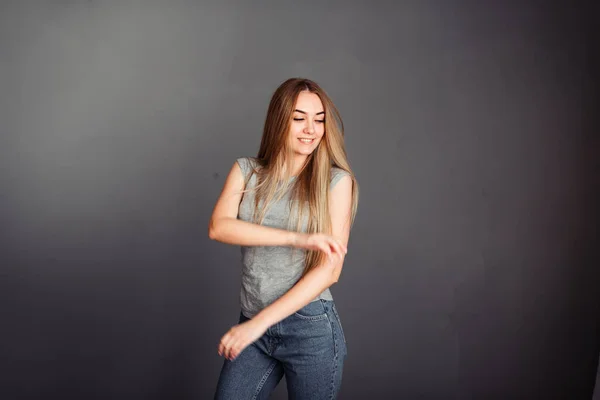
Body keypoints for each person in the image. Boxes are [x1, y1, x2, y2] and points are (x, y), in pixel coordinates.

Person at [209, 77, 359, 399]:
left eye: (318, 120)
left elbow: (330, 271)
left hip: (309, 329)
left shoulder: (336, 181)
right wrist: (297, 239)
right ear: (279, 121)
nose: (311, 129)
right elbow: (219, 227)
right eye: (299, 118)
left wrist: (257, 324)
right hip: (254, 322)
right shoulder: (247, 171)